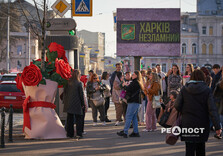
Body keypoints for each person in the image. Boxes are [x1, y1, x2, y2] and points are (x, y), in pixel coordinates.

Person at [175, 70, 221, 156]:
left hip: (187, 123)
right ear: (202, 78)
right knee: (201, 148)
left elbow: (177, 105)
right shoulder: (207, 90)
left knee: (189, 149)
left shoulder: (184, 89)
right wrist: (217, 126)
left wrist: (185, 110)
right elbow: (212, 109)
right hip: (202, 123)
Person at [117, 71, 144, 138]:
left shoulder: (135, 82)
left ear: (137, 76)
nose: (132, 75)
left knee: (128, 116)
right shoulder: (138, 82)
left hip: (133, 102)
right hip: (136, 102)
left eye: (133, 74)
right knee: (134, 117)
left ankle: (125, 132)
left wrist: (124, 85)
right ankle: (135, 132)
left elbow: (128, 89)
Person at [63, 69, 86, 139]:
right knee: (79, 119)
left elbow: (65, 92)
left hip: (68, 103)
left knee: (70, 119)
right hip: (77, 103)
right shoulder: (79, 83)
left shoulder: (68, 82)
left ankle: (70, 134)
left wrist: (65, 101)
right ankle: (79, 133)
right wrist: (83, 104)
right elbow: (81, 95)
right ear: (78, 75)